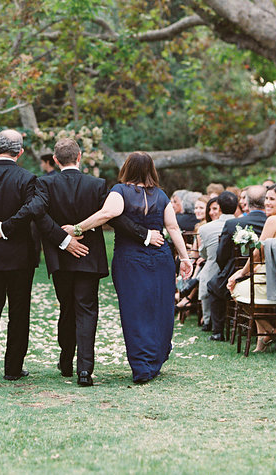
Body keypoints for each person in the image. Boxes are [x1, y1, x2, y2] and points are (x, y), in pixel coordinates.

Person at [0, 129, 85, 388]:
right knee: (19, 312)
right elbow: (35, 210)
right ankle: (13, 368)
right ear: (21, 151)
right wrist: (10, 227)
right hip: (20, 259)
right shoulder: (29, 179)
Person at [37, 139, 156, 386]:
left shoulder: (45, 183)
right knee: (87, 309)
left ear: (56, 160)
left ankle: (67, 358)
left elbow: (40, 218)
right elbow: (116, 218)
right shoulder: (97, 184)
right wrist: (144, 234)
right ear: (79, 157)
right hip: (88, 257)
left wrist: (63, 239)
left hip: (60, 258)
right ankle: (85, 370)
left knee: (67, 307)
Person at [71, 152, 191, 384]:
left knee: (134, 310)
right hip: (161, 258)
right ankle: (154, 358)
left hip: (131, 260)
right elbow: (173, 229)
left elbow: (107, 214)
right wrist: (185, 258)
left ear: (127, 168)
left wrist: (77, 229)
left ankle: (142, 365)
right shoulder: (162, 195)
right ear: (151, 170)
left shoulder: (120, 191)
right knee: (160, 307)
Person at [227, 183, 276, 352]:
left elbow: (257, 254)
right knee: (246, 286)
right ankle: (262, 340)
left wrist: (240, 273)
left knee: (235, 287)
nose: (267, 203)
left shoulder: (273, 220)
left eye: (272, 199)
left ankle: (268, 329)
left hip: (271, 282)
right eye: (266, 199)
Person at [208, 184, 268, 340]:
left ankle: (218, 332)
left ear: (246, 203)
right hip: (267, 275)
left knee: (213, 285)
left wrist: (226, 270)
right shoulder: (271, 222)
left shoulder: (232, 224)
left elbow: (221, 255)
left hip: (238, 273)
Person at [196, 191, 237, 332]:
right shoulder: (242, 223)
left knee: (206, 273)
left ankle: (208, 320)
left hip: (215, 268)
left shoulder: (205, 229)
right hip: (238, 270)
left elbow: (204, 253)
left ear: (219, 207)